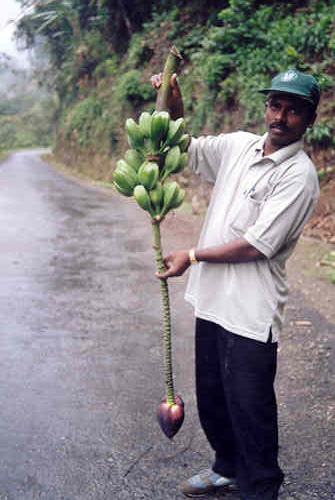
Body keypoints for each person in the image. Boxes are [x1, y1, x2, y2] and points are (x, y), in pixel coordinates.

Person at [151, 68, 321, 500]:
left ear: (309, 120)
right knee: (212, 399)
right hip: (212, 301)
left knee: (251, 409)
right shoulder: (238, 146)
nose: (280, 117)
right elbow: (182, 145)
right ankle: (226, 468)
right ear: (266, 107)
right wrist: (173, 97)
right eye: (275, 105)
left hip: (251, 310)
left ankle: (261, 488)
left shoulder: (299, 176)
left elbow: (256, 245)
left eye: (293, 110)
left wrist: (191, 256)